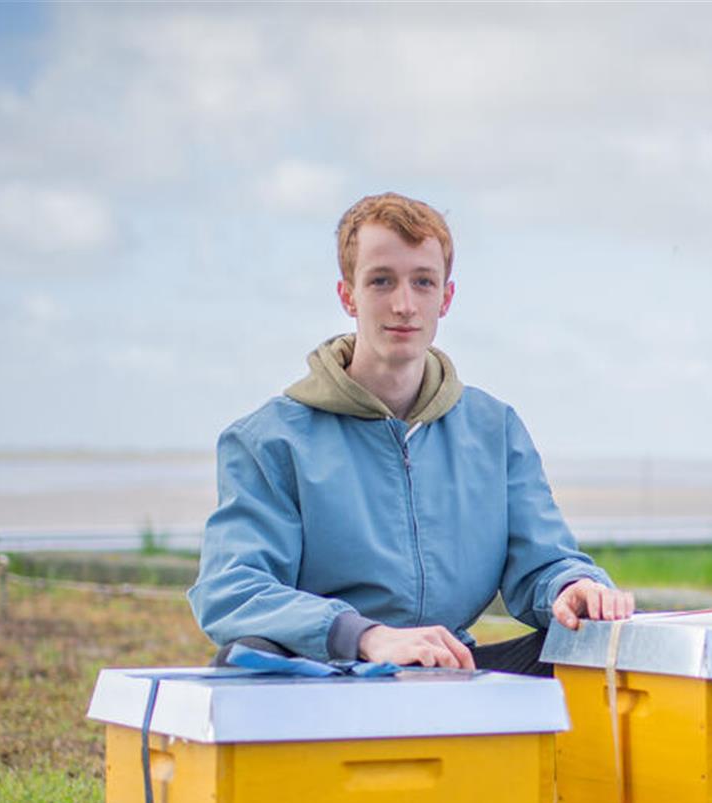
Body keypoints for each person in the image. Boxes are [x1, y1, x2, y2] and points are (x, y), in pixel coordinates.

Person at [189, 192, 632, 675]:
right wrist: (366, 637)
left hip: (451, 667)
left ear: (446, 297)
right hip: (328, 673)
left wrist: (573, 587)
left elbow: (543, 560)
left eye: (423, 282)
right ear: (347, 295)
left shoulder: (494, 429)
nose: (404, 305)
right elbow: (231, 590)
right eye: (381, 281)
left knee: (593, 646)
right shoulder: (269, 440)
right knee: (247, 659)